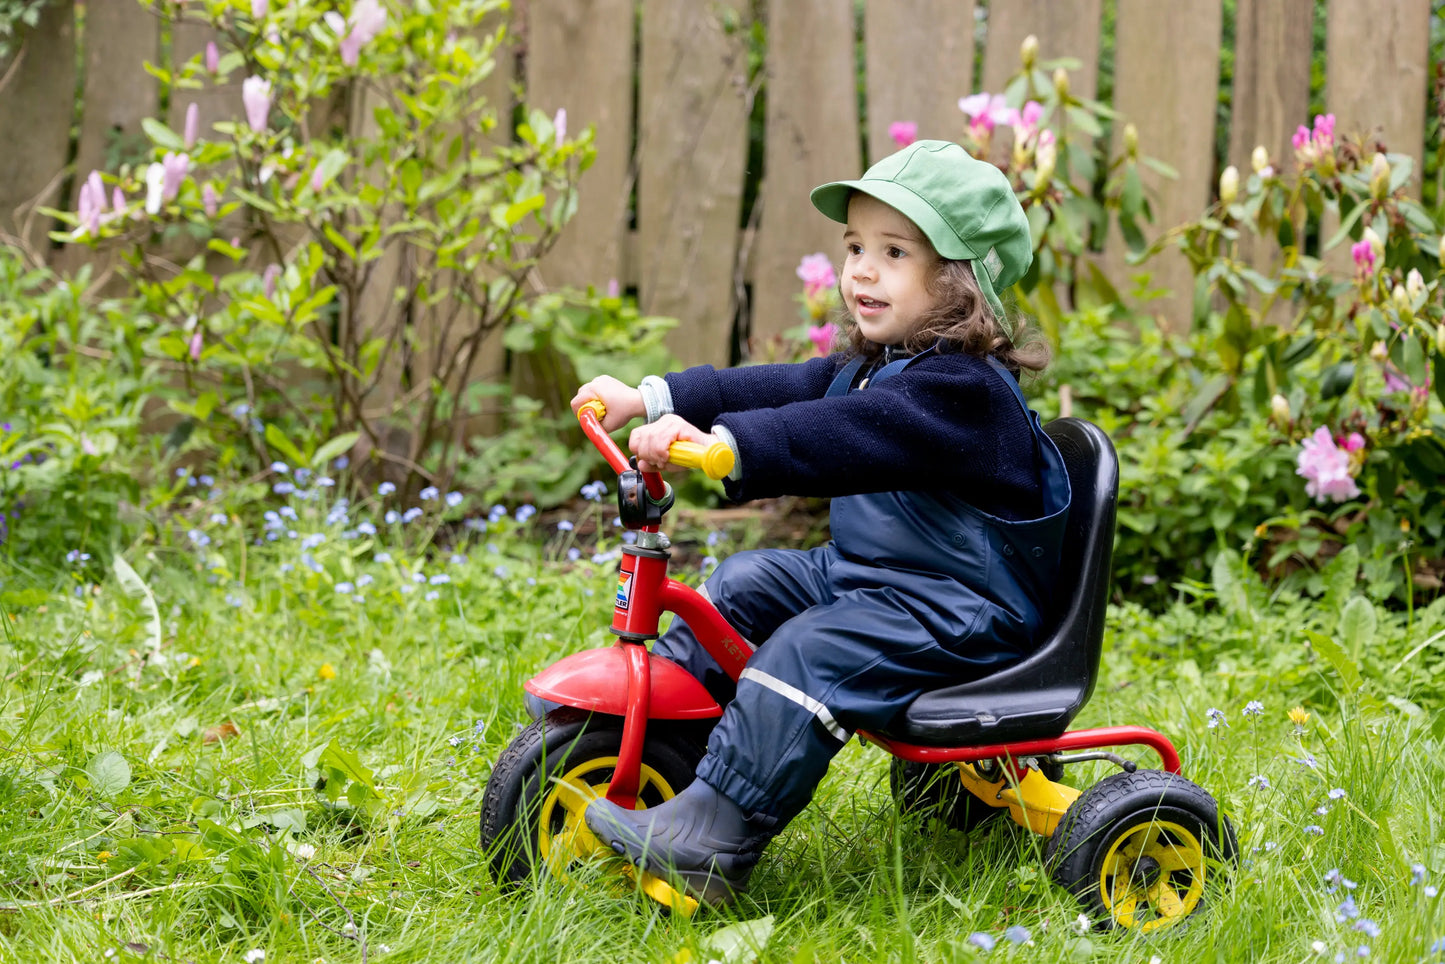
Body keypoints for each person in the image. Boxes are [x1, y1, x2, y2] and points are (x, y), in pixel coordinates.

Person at [566, 139, 1072, 906]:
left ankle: (713, 833)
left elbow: (847, 432)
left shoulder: (961, 392)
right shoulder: (876, 363)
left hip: (962, 608)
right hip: (880, 581)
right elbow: (781, 386)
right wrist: (652, 396)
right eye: (856, 246)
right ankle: (671, 740)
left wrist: (729, 447)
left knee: (807, 651)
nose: (862, 268)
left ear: (962, 282)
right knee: (743, 583)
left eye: (894, 251)